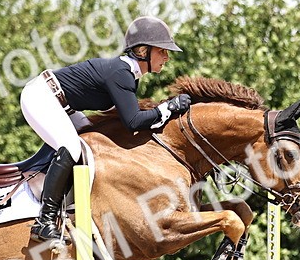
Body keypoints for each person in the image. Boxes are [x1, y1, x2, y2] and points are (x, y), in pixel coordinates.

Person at [21, 16, 193, 244]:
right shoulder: (121, 73)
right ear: (143, 51)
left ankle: (76, 207)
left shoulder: (127, 74)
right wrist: (168, 108)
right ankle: (45, 220)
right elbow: (132, 121)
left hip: (64, 105)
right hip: (40, 97)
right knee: (71, 147)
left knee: (92, 141)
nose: (166, 57)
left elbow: (127, 123)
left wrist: (164, 112)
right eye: (162, 51)